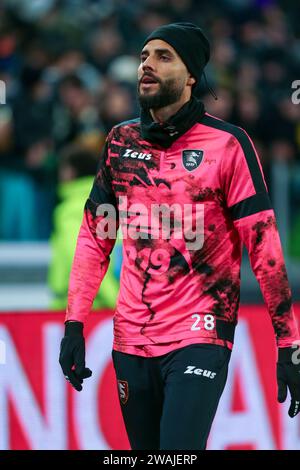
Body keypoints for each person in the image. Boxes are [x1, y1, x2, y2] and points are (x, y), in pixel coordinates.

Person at [59, 22, 300, 450]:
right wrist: (74, 323)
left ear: (191, 76)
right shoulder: (120, 141)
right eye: (144, 57)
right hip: (130, 338)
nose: (146, 65)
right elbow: (96, 238)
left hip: (200, 333)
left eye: (163, 56)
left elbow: (263, 246)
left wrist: (289, 342)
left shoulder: (228, 145)